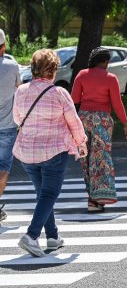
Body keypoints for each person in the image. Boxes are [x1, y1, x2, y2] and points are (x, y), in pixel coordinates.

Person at [13, 49, 88, 257]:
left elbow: (17, 119)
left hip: (28, 152)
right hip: (54, 151)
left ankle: (53, 236)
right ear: (54, 70)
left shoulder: (21, 91)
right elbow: (74, 122)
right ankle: (31, 235)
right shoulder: (59, 93)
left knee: (43, 195)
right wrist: (81, 143)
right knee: (49, 194)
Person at [71, 47, 127, 212]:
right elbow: (117, 103)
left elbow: (74, 100)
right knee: (100, 159)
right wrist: (125, 124)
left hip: (83, 119)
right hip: (102, 121)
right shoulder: (110, 78)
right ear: (105, 62)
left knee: (85, 158)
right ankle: (98, 199)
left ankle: (91, 197)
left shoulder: (81, 75)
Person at [0, 29, 21, 222]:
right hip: (7, 127)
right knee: (3, 168)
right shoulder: (12, 66)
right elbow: (20, 88)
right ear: (3, 46)